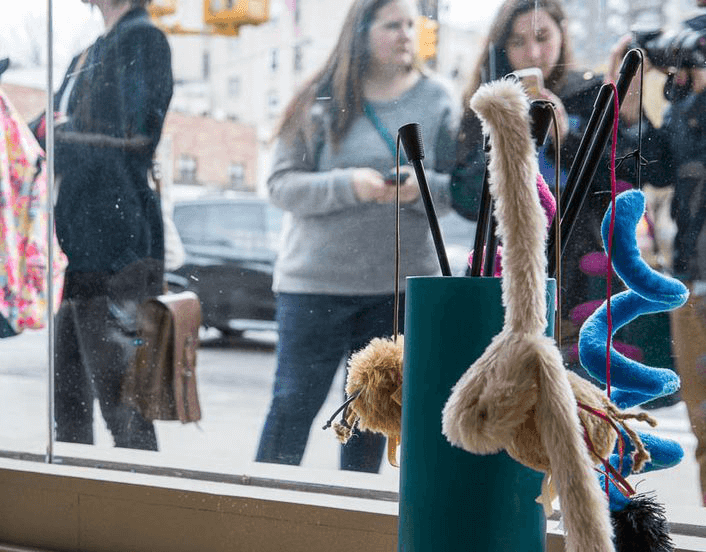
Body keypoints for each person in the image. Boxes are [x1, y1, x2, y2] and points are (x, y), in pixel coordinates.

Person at [254, 0, 457, 471]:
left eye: (411, 24)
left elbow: (461, 191)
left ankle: (353, 525)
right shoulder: (318, 97)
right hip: (315, 285)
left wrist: (416, 189)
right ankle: (260, 516)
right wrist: (351, 185)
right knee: (292, 406)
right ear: (362, 30)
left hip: (400, 289)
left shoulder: (438, 99)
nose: (406, 34)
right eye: (392, 25)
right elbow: (280, 186)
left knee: (371, 421)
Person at [450, 0, 647, 343]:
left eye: (543, 36)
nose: (533, 52)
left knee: (577, 382)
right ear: (502, 47)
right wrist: (509, 139)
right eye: (517, 42)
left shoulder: (591, 94)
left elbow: (622, 178)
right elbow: (465, 198)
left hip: (582, 265)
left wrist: (567, 134)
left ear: (562, 34)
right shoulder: (488, 101)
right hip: (506, 261)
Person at [43, 0, 172, 450]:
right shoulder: (94, 48)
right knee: (69, 399)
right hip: (79, 241)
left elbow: (135, 139)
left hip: (115, 243)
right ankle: (80, 507)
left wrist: (55, 135)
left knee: (123, 406)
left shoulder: (142, 39)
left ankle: (144, 510)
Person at [635, 2, 706, 503]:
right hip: (692, 281)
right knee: (705, 433)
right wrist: (638, 95)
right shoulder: (686, 105)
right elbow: (658, 171)